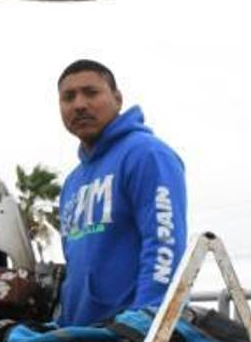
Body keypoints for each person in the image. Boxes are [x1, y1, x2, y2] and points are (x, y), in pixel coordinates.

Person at [55, 60, 187, 326]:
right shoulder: (72, 182)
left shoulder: (147, 155)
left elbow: (164, 243)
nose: (79, 104)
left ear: (117, 99)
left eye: (91, 93)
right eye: (68, 97)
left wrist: (146, 319)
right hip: (82, 340)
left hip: (130, 340)